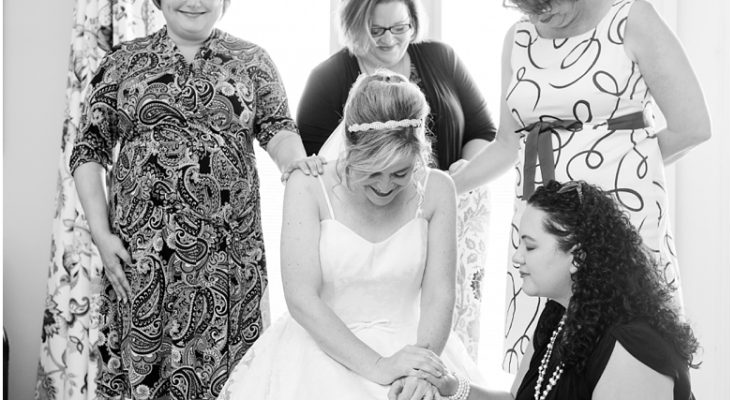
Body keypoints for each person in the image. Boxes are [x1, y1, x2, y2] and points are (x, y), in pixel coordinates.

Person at [68, 0, 324, 398]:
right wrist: (101, 234)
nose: (194, 1)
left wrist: (295, 164)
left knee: (229, 381)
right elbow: (89, 149)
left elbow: (278, 128)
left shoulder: (252, 60)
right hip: (144, 258)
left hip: (228, 261)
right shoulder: (122, 61)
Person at [450, 0, 711, 370]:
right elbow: (507, 145)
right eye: (530, 8)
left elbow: (692, 126)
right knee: (547, 359)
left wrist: (618, 167)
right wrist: (447, 185)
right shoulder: (518, 37)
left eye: (550, 4)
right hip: (543, 224)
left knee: (629, 345)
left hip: (622, 213)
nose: (542, 15)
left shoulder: (630, 18)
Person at [217, 71, 482, 400]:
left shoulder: (439, 189)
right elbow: (301, 297)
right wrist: (379, 366)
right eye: (371, 172)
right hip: (321, 348)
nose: (384, 186)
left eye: (400, 173)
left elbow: (438, 295)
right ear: (349, 149)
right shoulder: (307, 186)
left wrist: (422, 371)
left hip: (415, 344)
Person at [297, 0, 497, 358]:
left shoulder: (441, 58)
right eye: (376, 31)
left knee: (453, 316)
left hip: (453, 202)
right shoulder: (327, 78)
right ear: (355, 26)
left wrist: (460, 174)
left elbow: (482, 130)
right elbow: (315, 164)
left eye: (400, 28)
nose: (389, 39)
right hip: (367, 217)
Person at [397, 180, 699, 400]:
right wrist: (451, 386)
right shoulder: (559, 314)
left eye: (530, 246)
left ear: (577, 257)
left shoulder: (632, 347)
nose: (517, 258)